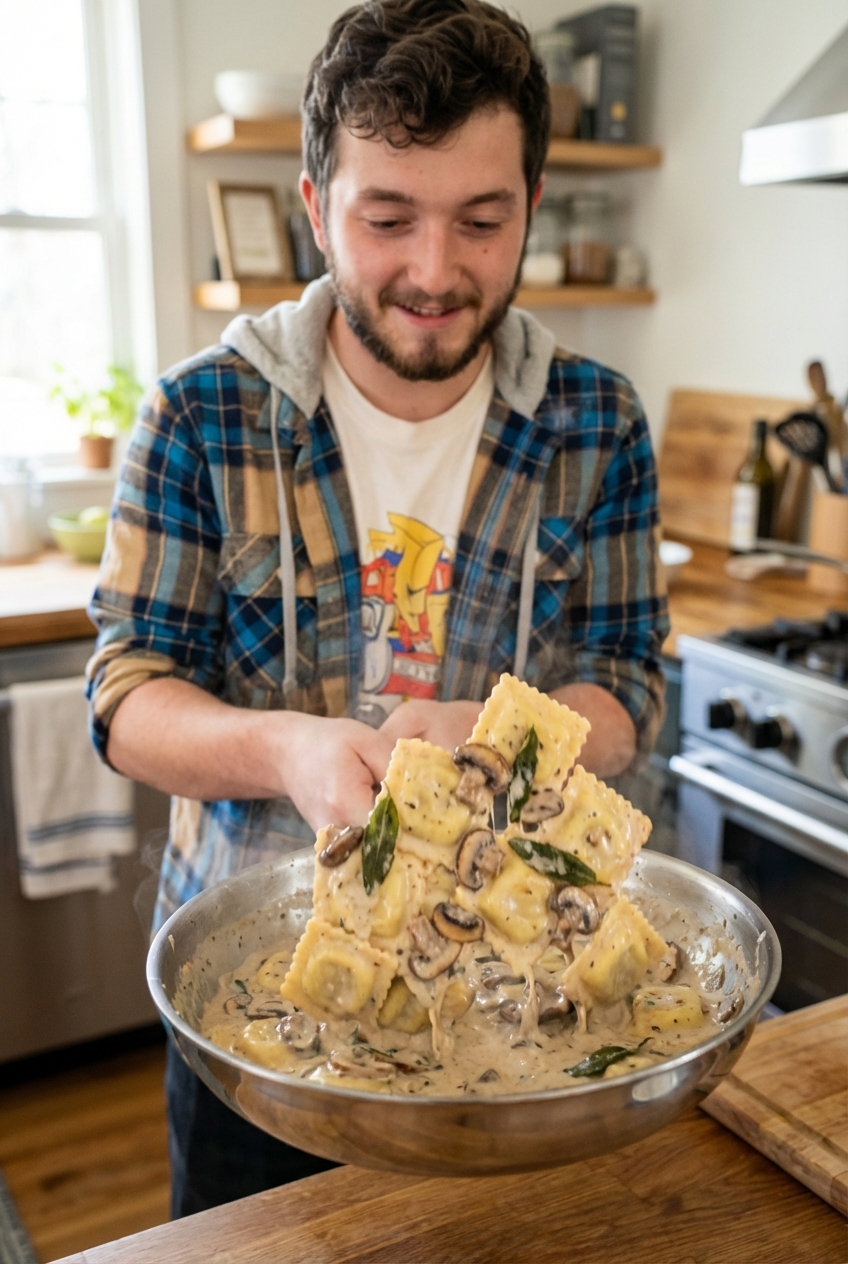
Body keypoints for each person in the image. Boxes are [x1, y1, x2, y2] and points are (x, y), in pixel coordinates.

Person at [86, 0, 669, 1217]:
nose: (433, 272)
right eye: (386, 216)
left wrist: (499, 740)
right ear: (314, 204)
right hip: (262, 1018)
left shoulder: (596, 422)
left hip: (520, 1022)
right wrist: (288, 750)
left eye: (481, 220)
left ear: (531, 205)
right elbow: (126, 697)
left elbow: (629, 685)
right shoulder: (200, 417)